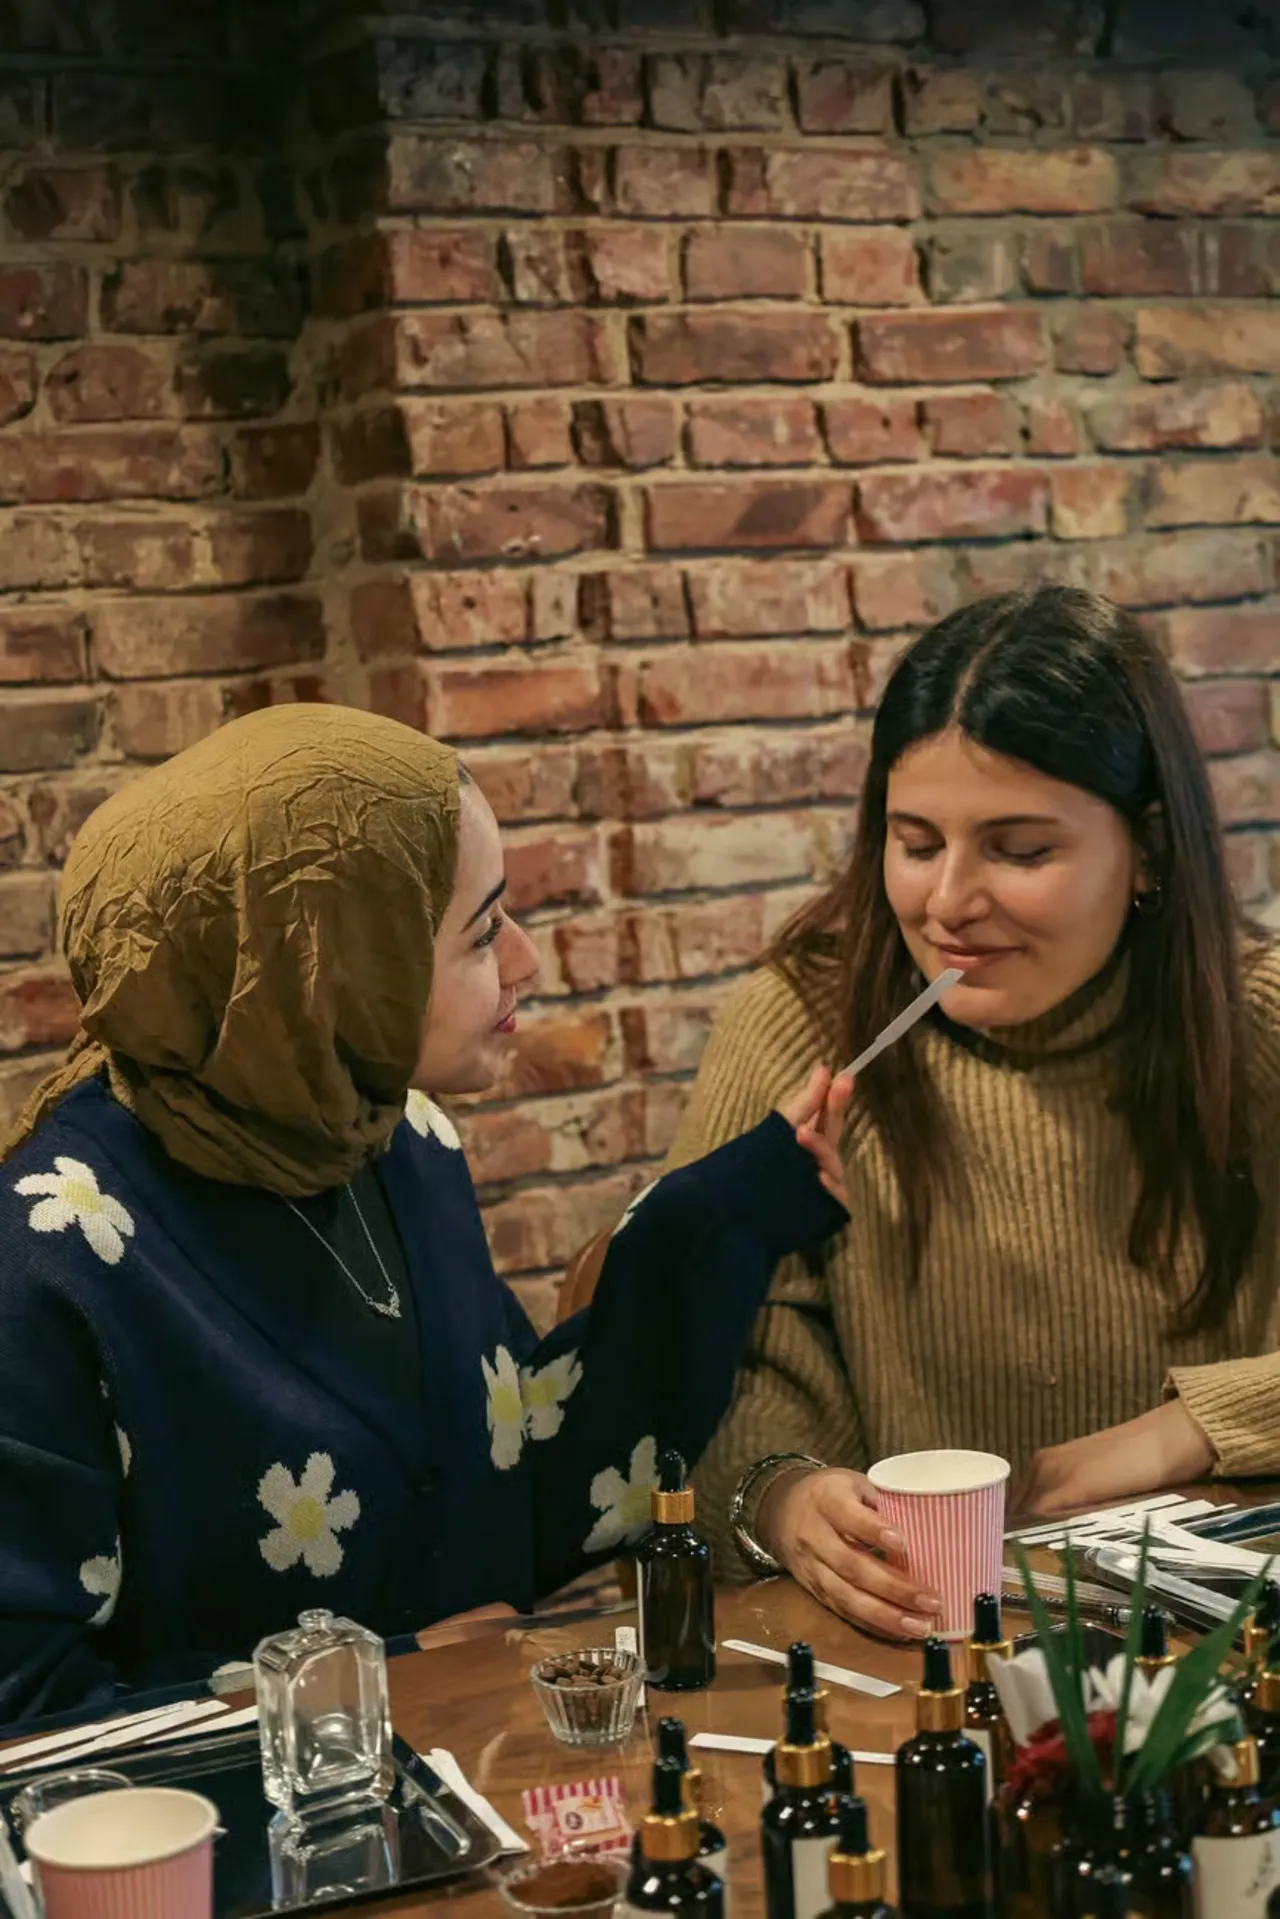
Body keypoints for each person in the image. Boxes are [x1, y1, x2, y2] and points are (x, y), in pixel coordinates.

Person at [0, 703, 850, 1725]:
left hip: (461, 1808)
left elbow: (507, 1485)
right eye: (484, 930)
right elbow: (28, 1711)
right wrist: (383, 1674)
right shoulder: (49, 1259)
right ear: (333, 971)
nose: (528, 962)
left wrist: (725, 1210)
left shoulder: (393, 1134)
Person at [663, 585, 1280, 1642]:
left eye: (1017, 849)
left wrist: (1187, 1428)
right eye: (914, 841)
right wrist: (779, 1495)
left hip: (1219, 1650)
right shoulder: (795, 1022)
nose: (947, 900)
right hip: (919, 1653)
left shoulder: (1255, 1017)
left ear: (1146, 851)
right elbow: (712, 1357)